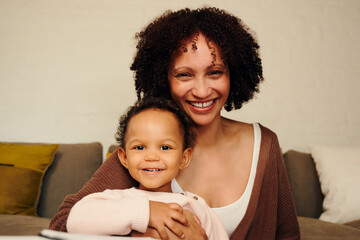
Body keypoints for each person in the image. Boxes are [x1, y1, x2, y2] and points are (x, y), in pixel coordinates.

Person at [50, 7, 300, 239]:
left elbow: (288, 236)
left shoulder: (264, 145)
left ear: (233, 73)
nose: (202, 91)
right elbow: (63, 223)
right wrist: (148, 222)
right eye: (184, 75)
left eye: (215, 72)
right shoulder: (145, 149)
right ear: (164, 79)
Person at [66, 97, 229, 240]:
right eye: (139, 147)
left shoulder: (194, 206)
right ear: (124, 158)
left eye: (165, 147)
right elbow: (75, 222)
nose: (151, 157)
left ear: (183, 158)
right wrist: (147, 212)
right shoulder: (116, 199)